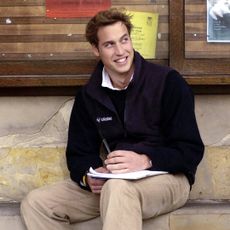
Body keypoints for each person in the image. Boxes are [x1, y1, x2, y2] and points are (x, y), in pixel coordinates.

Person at [20, 8, 204, 230]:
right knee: (37, 203)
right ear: (96, 50)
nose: (121, 51)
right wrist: (90, 177)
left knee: (118, 188)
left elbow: (190, 150)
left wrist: (146, 160)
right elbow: (79, 154)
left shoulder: (168, 82)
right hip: (114, 183)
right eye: (109, 44)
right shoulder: (89, 95)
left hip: (168, 179)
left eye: (124, 40)